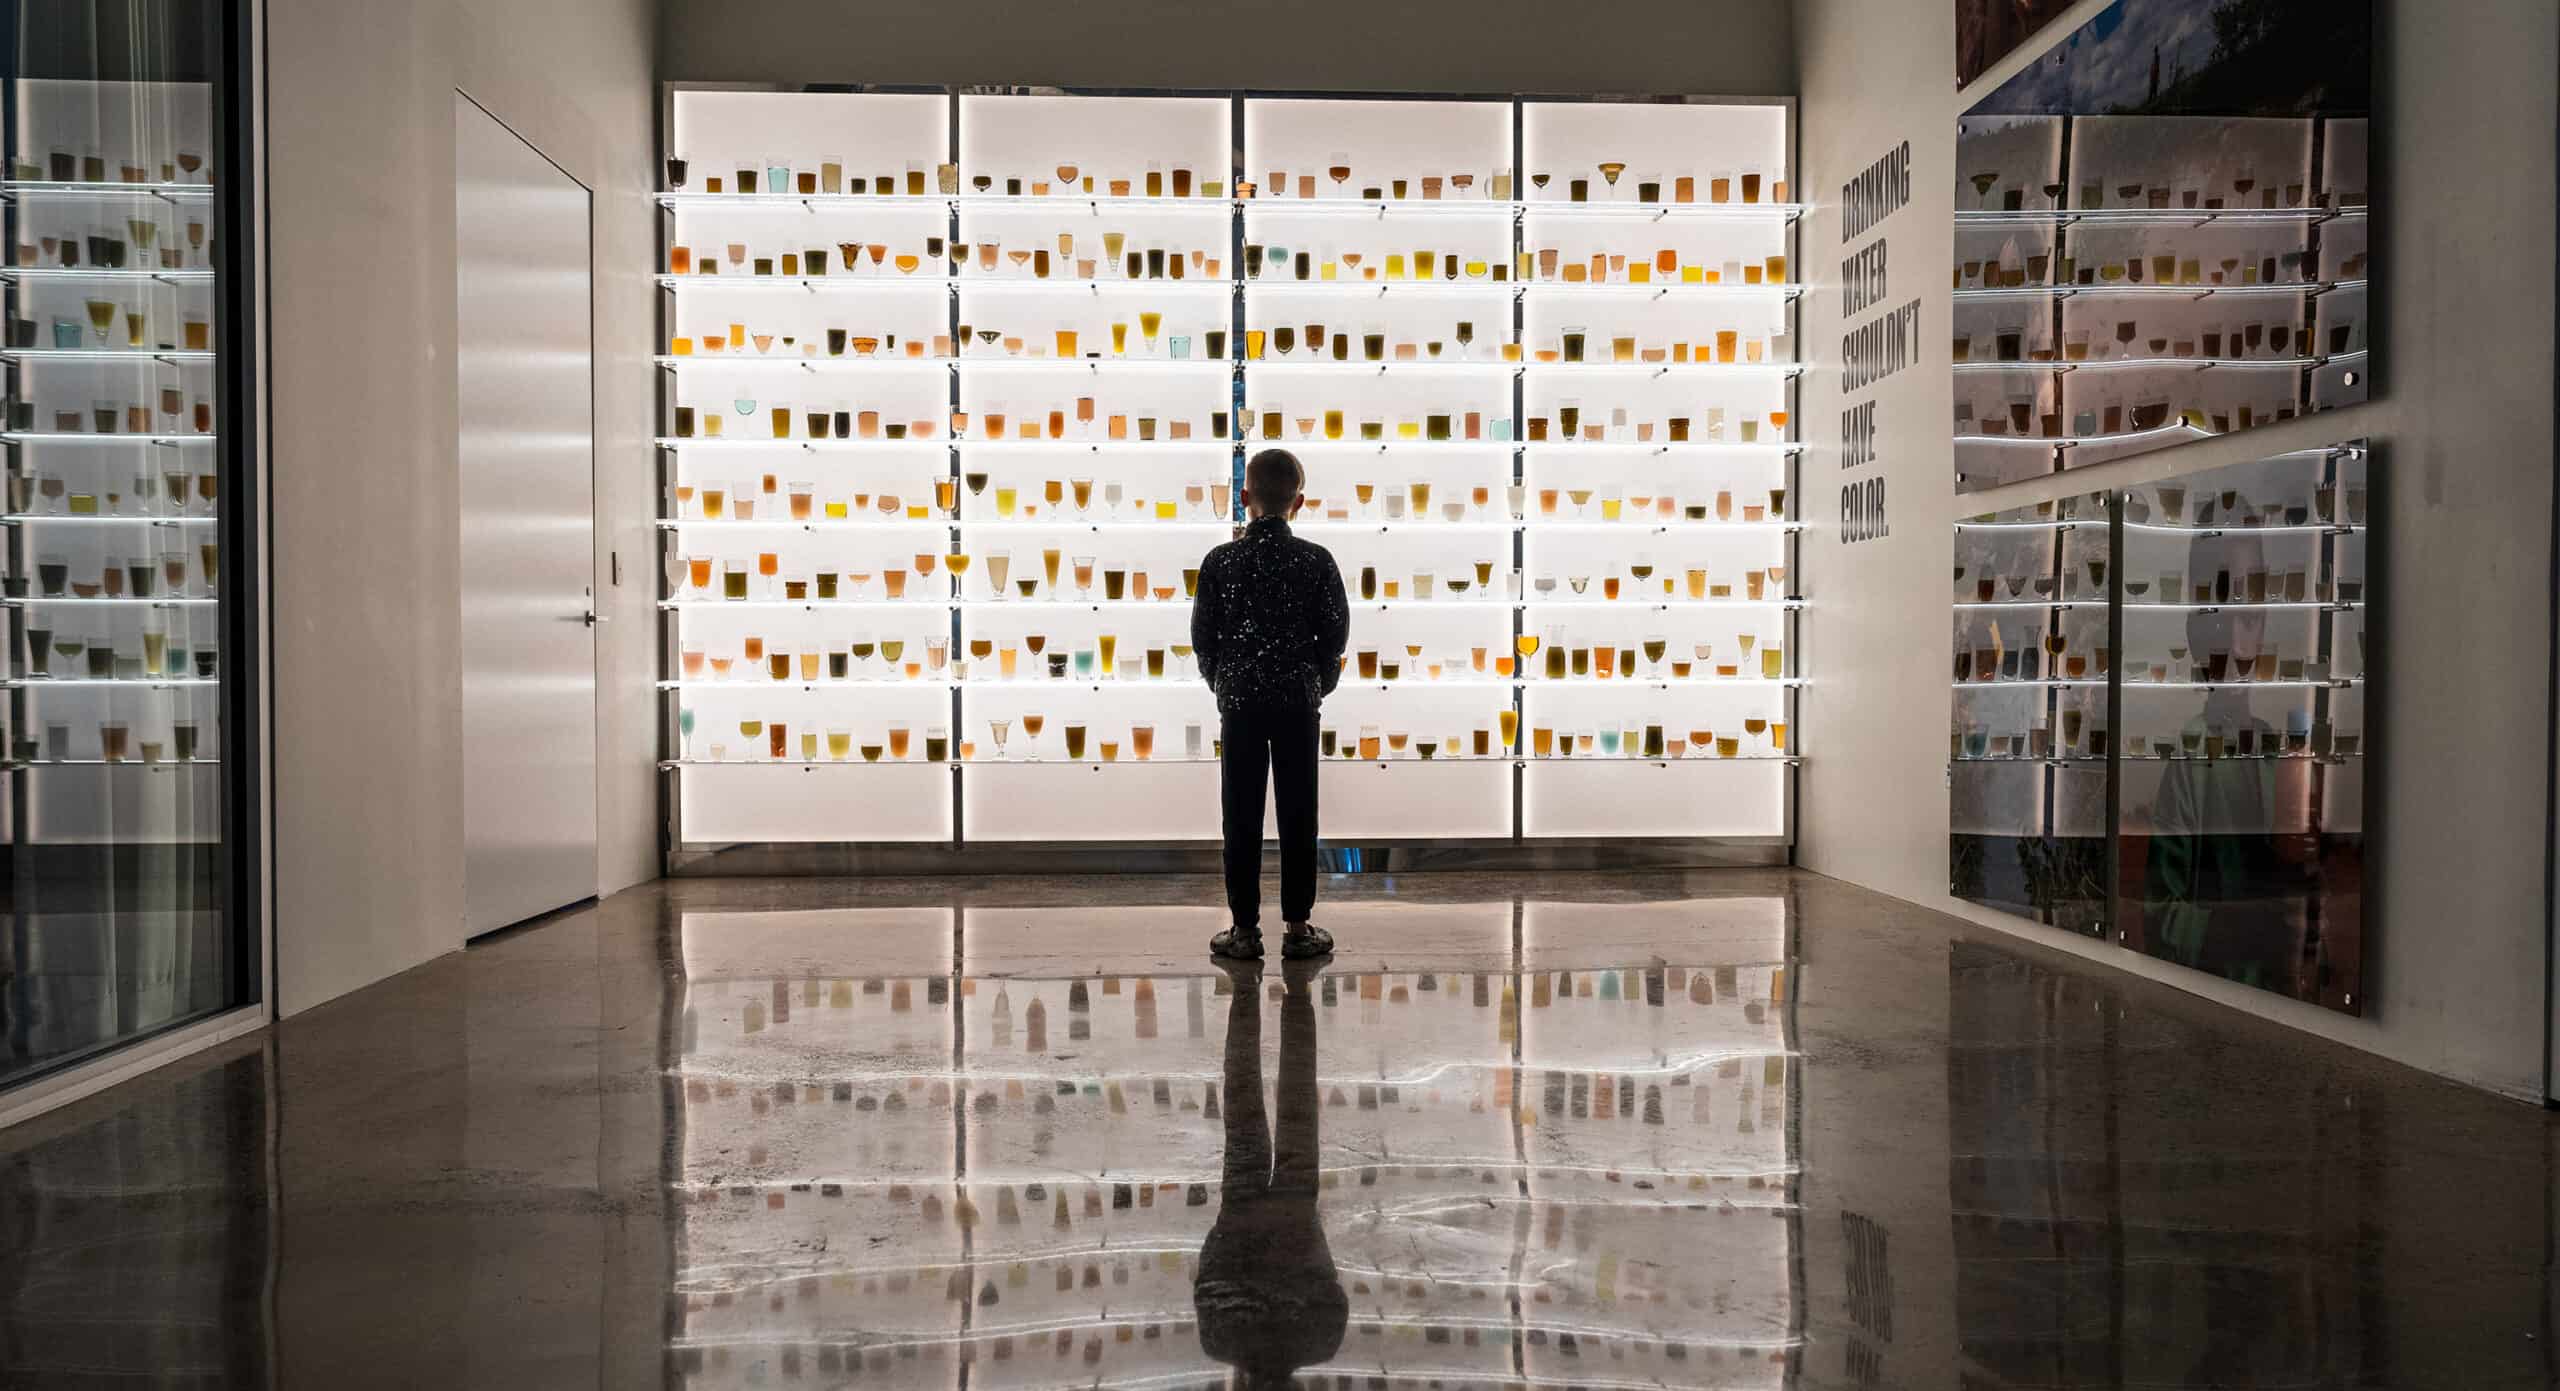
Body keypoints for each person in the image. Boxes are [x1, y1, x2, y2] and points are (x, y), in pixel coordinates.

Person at [1189, 448, 1349, 961]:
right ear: (1299, 502)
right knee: (1299, 813)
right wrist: (1317, 683)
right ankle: (1298, 927)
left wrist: (1223, 683)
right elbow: (1335, 637)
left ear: (1244, 497)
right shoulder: (1316, 560)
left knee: (1240, 814)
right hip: (1298, 702)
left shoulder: (1221, 561)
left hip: (1240, 703)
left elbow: (1204, 638)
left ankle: (1244, 929)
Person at [1193, 955, 1345, 1385]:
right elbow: (1209, 1275)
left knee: (1298, 1097)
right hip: (1241, 1214)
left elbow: (1330, 1288)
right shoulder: (1220, 1342)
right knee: (1241, 1093)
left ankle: (1298, 991)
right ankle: (1245, 991)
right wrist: (1230, 1228)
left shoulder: (1321, 1343)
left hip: (1296, 1217)